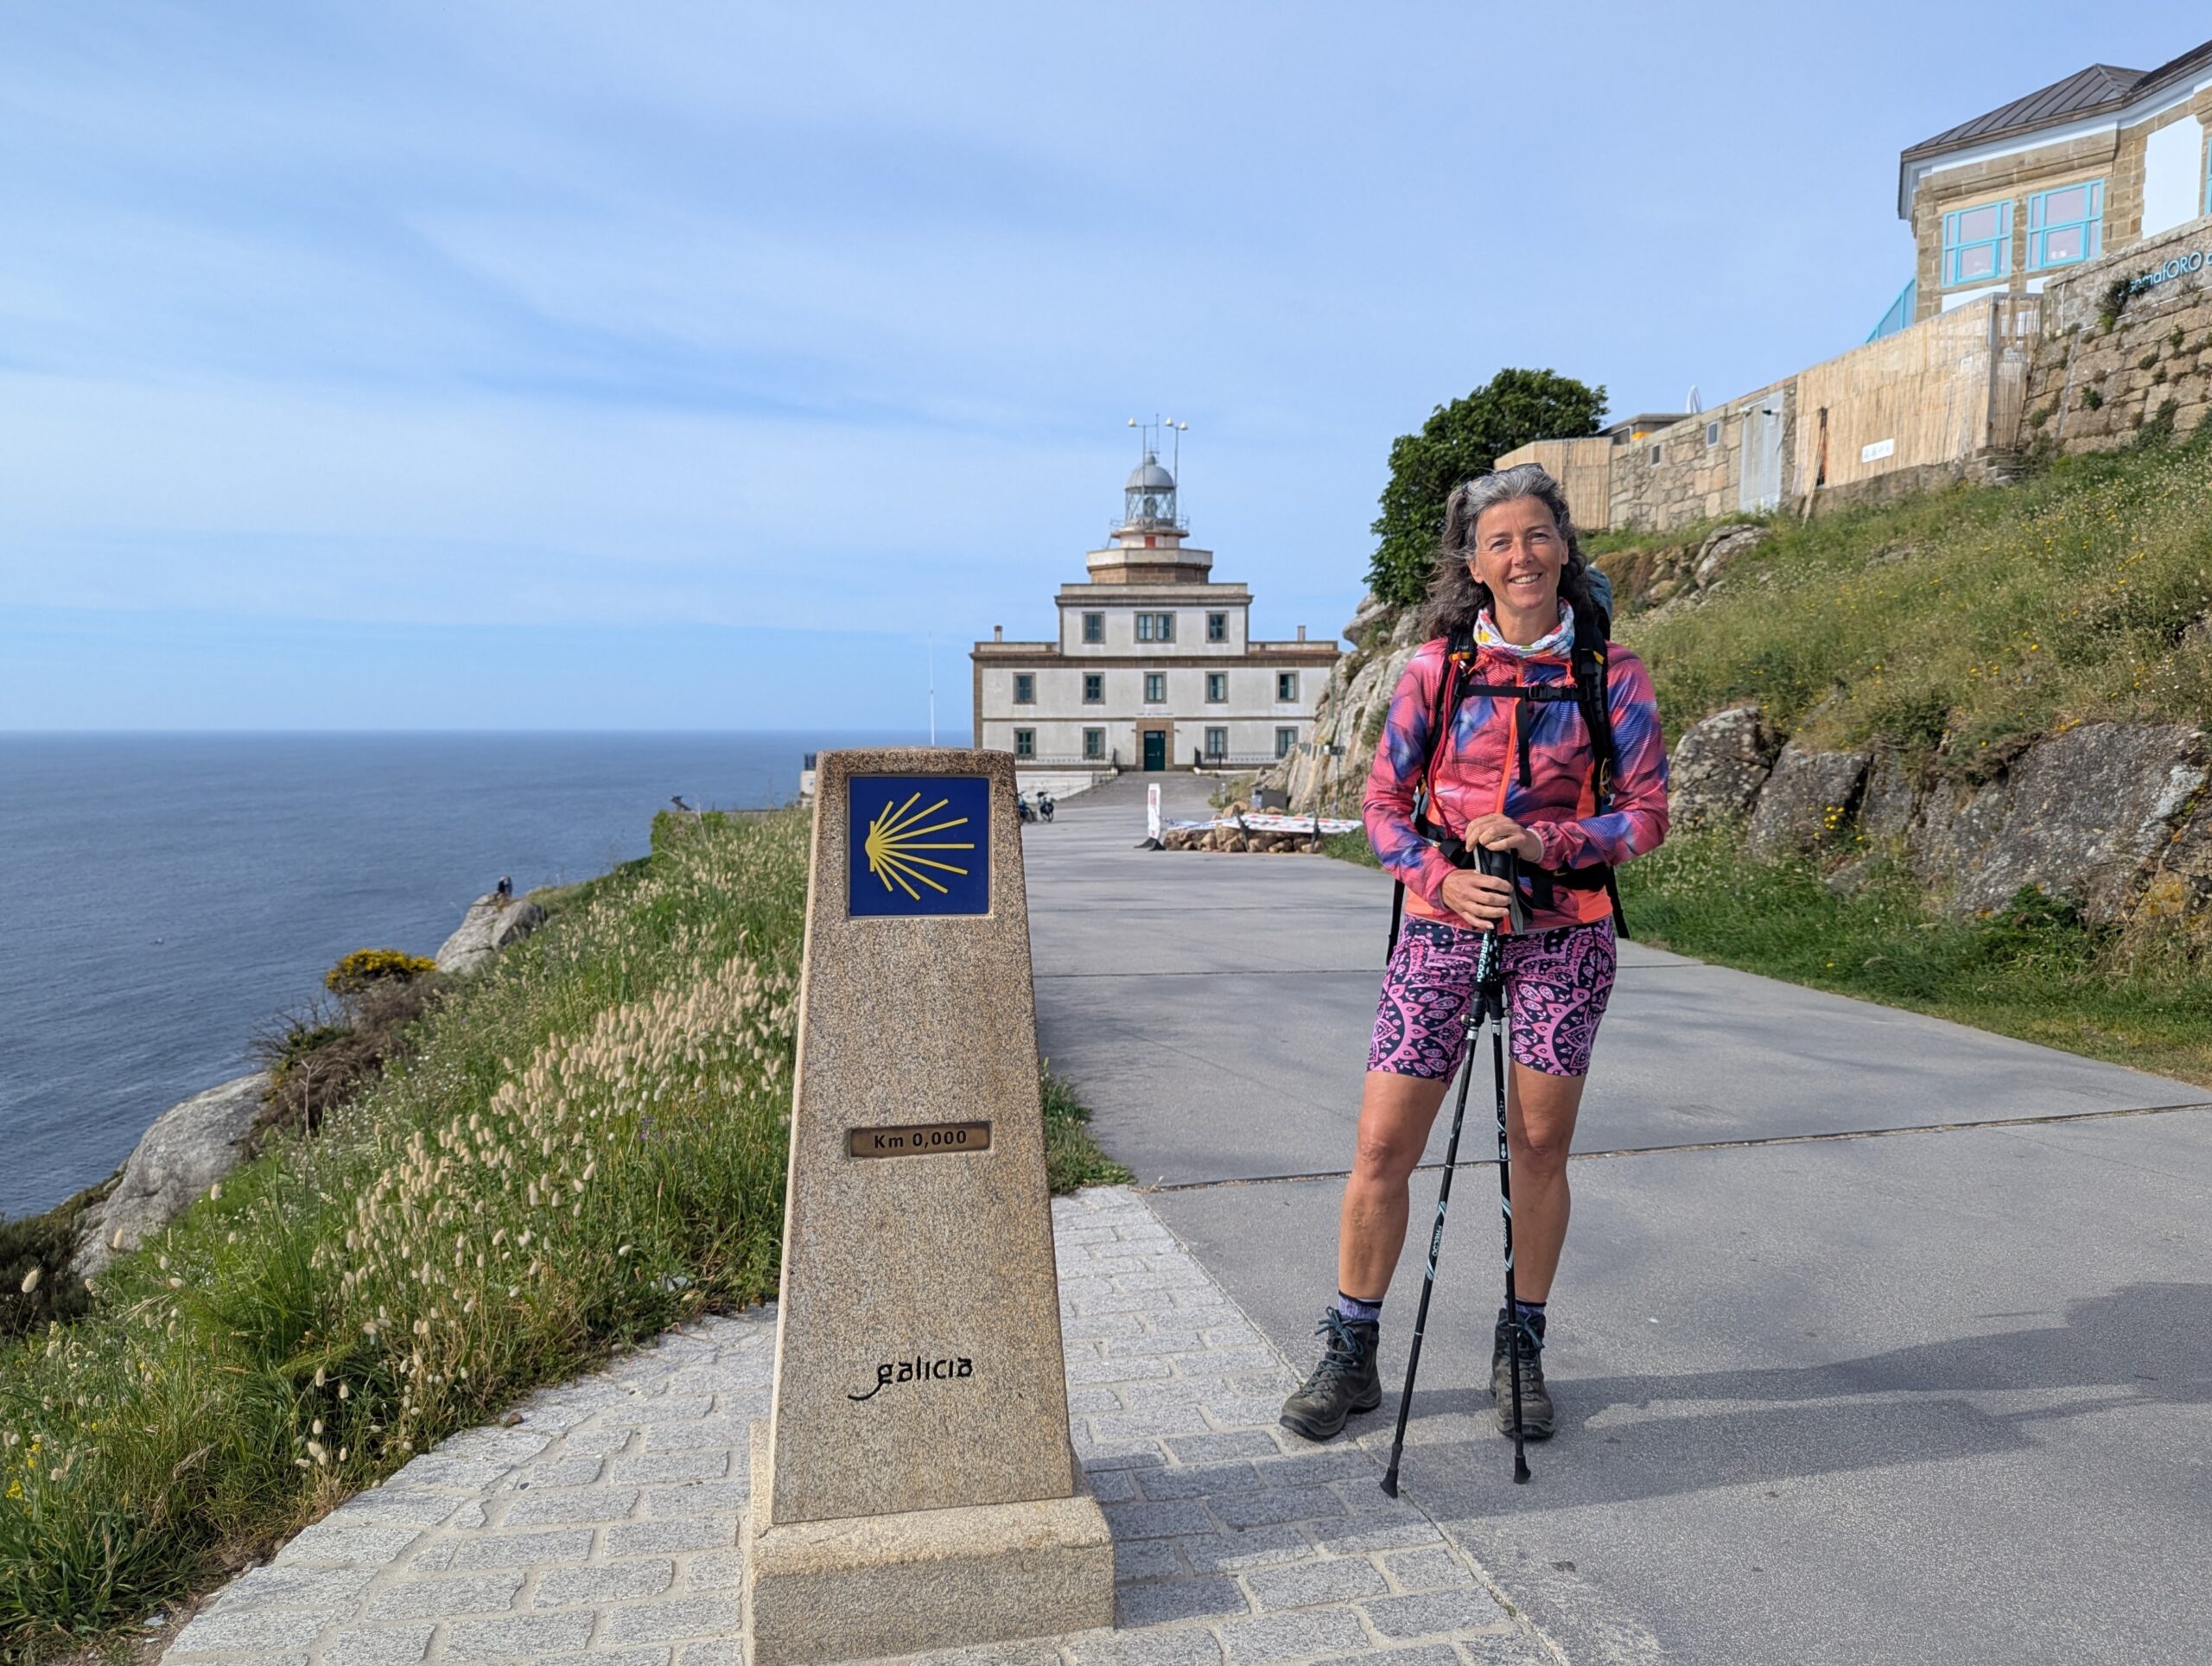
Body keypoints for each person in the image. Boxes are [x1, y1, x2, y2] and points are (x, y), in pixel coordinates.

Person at [1280, 463, 1669, 1444]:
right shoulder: (1434, 669)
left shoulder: (1609, 672)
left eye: (1536, 535)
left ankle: (1521, 1344)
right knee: (1382, 1147)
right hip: (1441, 928)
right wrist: (1442, 878)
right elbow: (1380, 806)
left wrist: (1549, 843)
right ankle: (1351, 1350)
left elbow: (1647, 815)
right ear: (1474, 564)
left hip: (1563, 934)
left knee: (1537, 1147)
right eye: (1499, 542)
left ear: (1564, 547)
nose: (1521, 555)